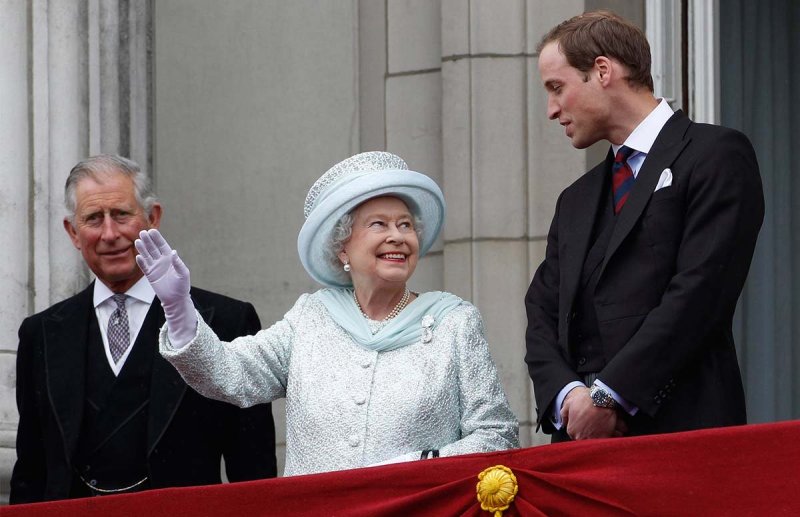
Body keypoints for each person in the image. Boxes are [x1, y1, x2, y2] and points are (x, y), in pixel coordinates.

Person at [135, 151, 519, 476]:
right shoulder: (310, 319)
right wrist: (178, 307)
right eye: (379, 225)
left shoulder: (455, 322)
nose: (398, 236)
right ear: (343, 248)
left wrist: (421, 465)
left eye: (405, 225)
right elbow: (229, 375)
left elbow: (497, 433)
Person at [525, 11, 764, 442]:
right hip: (580, 452)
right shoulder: (575, 199)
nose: (551, 110)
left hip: (685, 439)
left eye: (557, 88)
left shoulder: (716, 155)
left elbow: (700, 292)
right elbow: (542, 313)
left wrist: (609, 397)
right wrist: (570, 399)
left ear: (602, 71)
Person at [10, 155, 277, 503]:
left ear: (153, 218)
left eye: (121, 214)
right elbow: (32, 472)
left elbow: (253, 471)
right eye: (93, 218)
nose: (110, 233)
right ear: (73, 232)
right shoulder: (41, 334)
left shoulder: (225, 321)